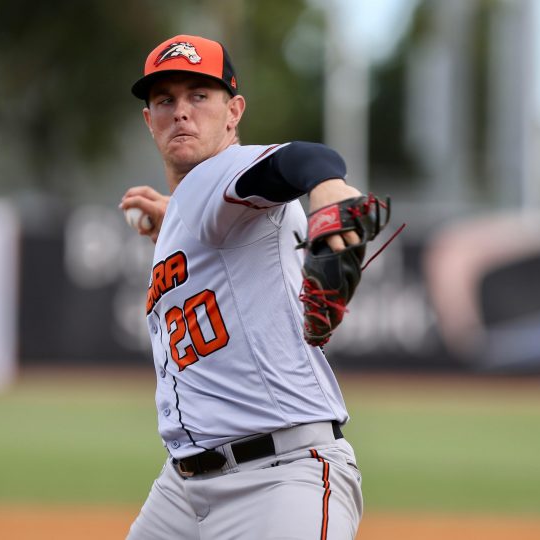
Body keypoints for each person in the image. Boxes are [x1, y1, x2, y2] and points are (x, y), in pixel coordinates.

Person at [120, 34, 364, 540]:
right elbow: (215, 223)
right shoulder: (195, 208)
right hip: (182, 490)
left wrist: (330, 185)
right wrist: (176, 223)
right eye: (165, 100)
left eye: (199, 96)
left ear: (233, 112)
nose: (181, 112)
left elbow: (298, 160)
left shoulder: (221, 173)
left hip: (278, 481)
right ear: (150, 120)